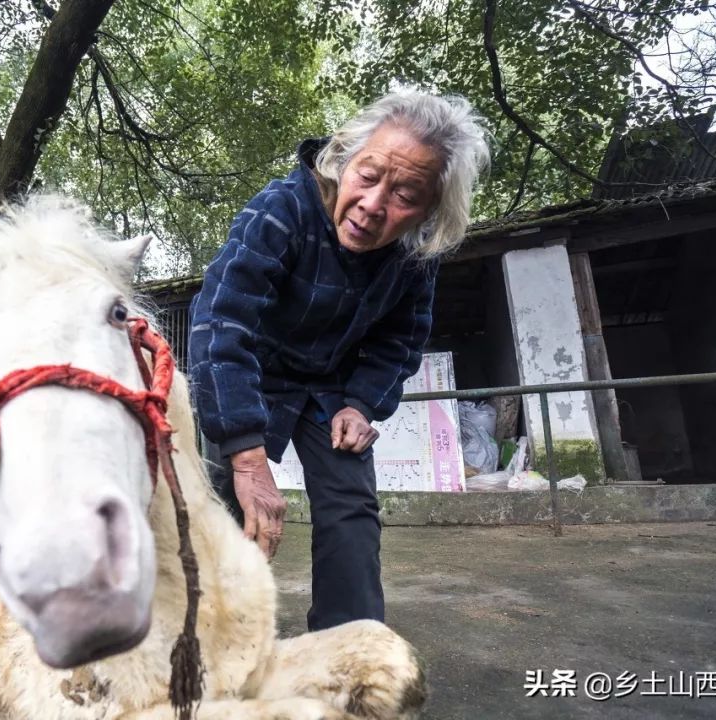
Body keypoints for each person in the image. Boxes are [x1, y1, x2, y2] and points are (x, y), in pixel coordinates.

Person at [188, 90, 490, 631]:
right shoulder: (281, 210)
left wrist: (360, 405)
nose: (374, 205)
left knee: (352, 509)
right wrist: (247, 457)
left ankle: (348, 644)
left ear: (429, 209)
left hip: (330, 386)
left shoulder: (415, 255)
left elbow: (401, 338)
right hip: (248, 373)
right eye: (369, 175)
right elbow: (221, 321)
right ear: (345, 157)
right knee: (222, 503)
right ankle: (210, 637)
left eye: (405, 194)